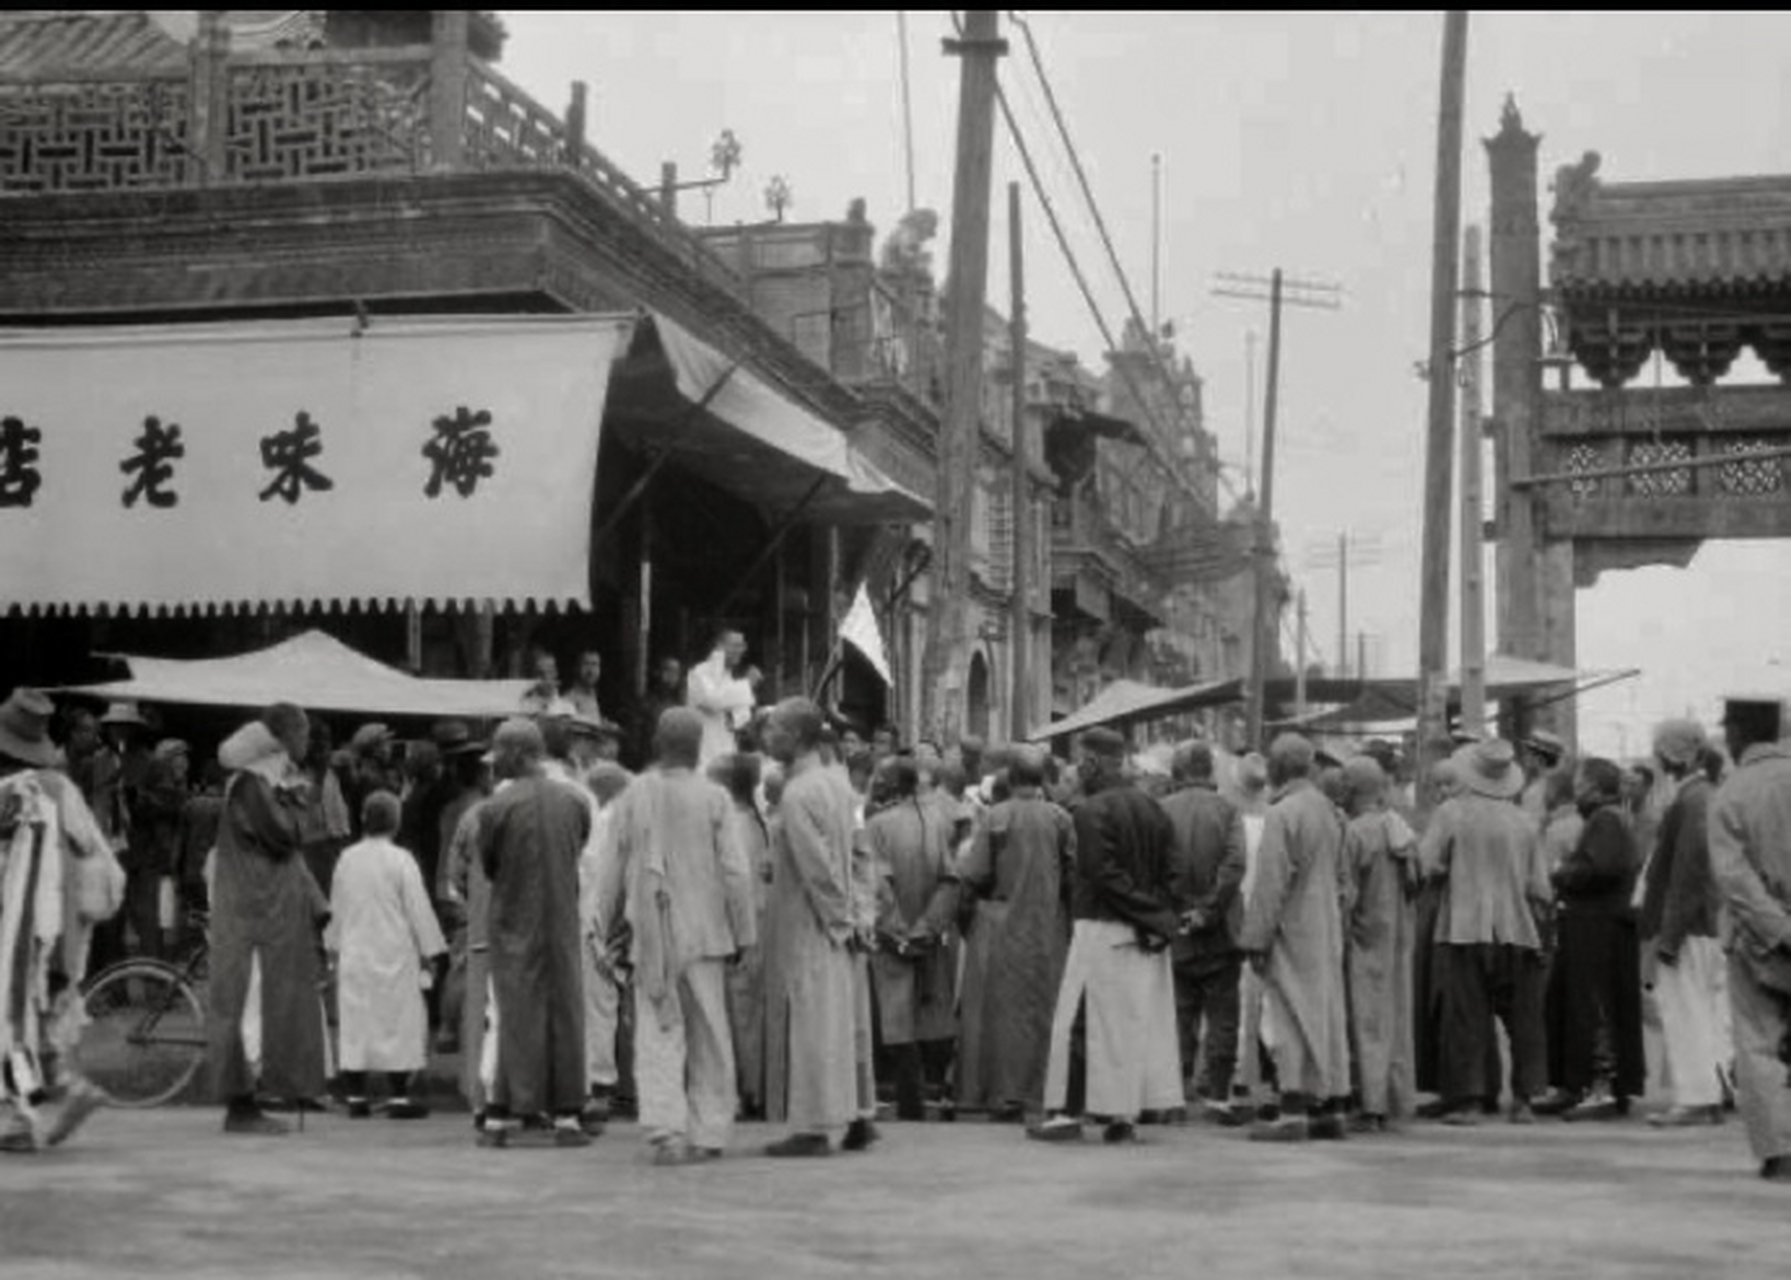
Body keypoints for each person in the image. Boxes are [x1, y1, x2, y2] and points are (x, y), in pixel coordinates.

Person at [596, 709, 756, 1164]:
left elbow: (612, 867)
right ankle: (709, 1132)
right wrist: (744, 932)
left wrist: (601, 927)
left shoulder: (633, 795)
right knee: (709, 1032)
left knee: (659, 1031)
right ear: (698, 745)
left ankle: (666, 1129)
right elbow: (735, 871)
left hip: (652, 931)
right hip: (706, 932)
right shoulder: (715, 798)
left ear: (656, 743)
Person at [1031, 728, 1182, 1146]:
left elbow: (1104, 875)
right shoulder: (1154, 808)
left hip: (1100, 928)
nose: (1078, 770)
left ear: (1095, 762)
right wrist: (1158, 919)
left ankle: (1067, 1114)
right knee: (1128, 1028)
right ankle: (1121, 1117)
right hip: (1141, 935)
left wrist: (1151, 916)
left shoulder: (1091, 811)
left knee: (1081, 1022)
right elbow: (1173, 875)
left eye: (1082, 761)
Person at [0, 689, 124, 1154]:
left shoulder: (11, 792)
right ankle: (63, 1090)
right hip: (61, 926)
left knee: (12, 1019)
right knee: (35, 1019)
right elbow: (93, 849)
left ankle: (20, 1117)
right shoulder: (61, 788)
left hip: (17, 924)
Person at [210, 704, 330, 1136]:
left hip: (263, 909)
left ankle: (252, 1100)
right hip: (253, 913)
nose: (308, 742)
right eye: (303, 733)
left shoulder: (264, 780)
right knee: (250, 1005)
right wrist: (299, 802)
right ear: (284, 737)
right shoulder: (255, 783)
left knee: (261, 1003)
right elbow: (283, 835)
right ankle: (242, 1106)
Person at [1420, 739, 1552, 1126]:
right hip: (1518, 928)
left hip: (1465, 926)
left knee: (1467, 1018)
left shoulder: (1452, 813)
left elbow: (1426, 863)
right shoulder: (1525, 822)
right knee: (1524, 1020)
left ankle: (1471, 1101)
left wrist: (1445, 871)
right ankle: (1525, 1101)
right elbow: (1539, 887)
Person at [759, 697, 871, 1157]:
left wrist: (842, 920)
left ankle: (813, 1125)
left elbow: (817, 868)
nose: (768, 738)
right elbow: (862, 857)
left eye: (776, 730)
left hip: (815, 923)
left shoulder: (800, 792)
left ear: (798, 737)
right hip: (842, 921)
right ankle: (855, 1114)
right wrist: (863, 915)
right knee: (841, 1023)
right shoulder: (840, 785)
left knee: (813, 1025)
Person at [473, 718, 592, 1148]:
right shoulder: (574, 801)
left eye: (499, 754)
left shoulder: (494, 809)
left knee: (512, 1013)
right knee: (565, 1012)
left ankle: (502, 1114)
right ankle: (567, 1116)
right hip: (560, 919)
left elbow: (489, 865)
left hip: (513, 920)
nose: (494, 764)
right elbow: (577, 848)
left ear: (520, 754)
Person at [1237, 734, 1351, 1142]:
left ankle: (1292, 1108)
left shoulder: (1282, 813)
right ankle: (1328, 1106)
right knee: (1324, 1013)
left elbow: (1270, 885)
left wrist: (1255, 939)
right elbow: (1344, 881)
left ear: (1277, 767)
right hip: (1326, 927)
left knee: (1288, 1017)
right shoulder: (1329, 811)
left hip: (1290, 928)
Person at [955, 748, 1075, 1121]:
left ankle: (1001, 1094)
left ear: (1012, 777)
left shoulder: (996, 817)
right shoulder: (1060, 819)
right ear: (1042, 780)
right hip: (1048, 926)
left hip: (1000, 924)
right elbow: (1073, 877)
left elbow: (974, 875)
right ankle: (1039, 1093)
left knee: (999, 1014)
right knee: (1043, 1010)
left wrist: (966, 921)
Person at [1706, 694, 1791, 1181]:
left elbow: (1734, 878)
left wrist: (1779, 929)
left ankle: (1780, 1152)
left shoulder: (1732, 794)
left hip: (1758, 939)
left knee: (1759, 1044)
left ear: (1738, 733)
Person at [326, 791, 447, 1121]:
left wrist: (332, 949)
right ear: (396, 821)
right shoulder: (401, 860)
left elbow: (336, 907)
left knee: (356, 1025)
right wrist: (429, 951)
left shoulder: (346, 858)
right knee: (400, 1023)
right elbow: (418, 909)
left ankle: (355, 1096)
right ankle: (398, 1097)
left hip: (355, 951)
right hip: (395, 952)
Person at [1638, 718, 1727, 1128]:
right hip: (1707, 923)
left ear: (1669, 756)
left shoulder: (1690, 801)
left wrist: (1668, 937)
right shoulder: (1706, 796)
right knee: (1706, 1013)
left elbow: (1685, 875)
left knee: (1685, 1013)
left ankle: (1696, 1098)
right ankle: (1711, 1091)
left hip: (1688, 928)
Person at [1547, 757, 1646, 1121]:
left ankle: (1600, 1087)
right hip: (1596, 925)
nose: (1575, 789)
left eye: (1580, 782)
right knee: (1586, 1003)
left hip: (1598, 928)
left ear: (1593, 787)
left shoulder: (1605, 820)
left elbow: (1601, 868)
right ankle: (1580, 1085)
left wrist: (1562, 873)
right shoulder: (1610, 819)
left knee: (1596, 1006)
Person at [865, 757, 960, 1122]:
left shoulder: (877, 825)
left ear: (892, 784)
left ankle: (910, 1100)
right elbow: (950, 879)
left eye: (882, 778)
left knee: (897, 1018)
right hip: (925, 935)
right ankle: (922, 1096)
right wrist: (927, 927)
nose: (877, 783)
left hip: (895, 938)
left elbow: (877, 885)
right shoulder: (938, 822)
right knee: (922, 1014)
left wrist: (899, 932)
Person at [1159, 741, 1247, 1121]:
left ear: (1177, 772)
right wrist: (1208, 911)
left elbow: (1159, 867)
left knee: (1179, 1013)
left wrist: (1183, 912)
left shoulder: (1162, 811)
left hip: (1175, 927)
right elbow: (1234, 866)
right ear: (1210, 770)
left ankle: (1174, 1095)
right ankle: (1218, 1096)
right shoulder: (1228, 811)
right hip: (1222, 928)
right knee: (1223, 1013)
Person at [1340, 756, 1420, 1132]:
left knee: (1368, 1022)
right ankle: (1397, 1099)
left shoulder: (1356, 832)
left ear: (1353, 790)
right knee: (1398, 1018)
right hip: (1399, 936)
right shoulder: (1399, 828)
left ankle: (1370, 1105)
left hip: (1365, 937)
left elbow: (1347, 893)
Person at [710, 752, 773, 1118]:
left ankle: (745, 1089)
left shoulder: (733, 823)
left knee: (738, 1014)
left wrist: (738, 932)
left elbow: (738, 881)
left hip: (739, 932)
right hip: (752, 927)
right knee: (745, 1012)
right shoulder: (753, 820)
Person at [689, 631, 763, 769]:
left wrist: (741, 717)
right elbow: (713, 701)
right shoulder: (699, 672)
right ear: (719, 646)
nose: (740, 650)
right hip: (706, 750)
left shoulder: (728, 676)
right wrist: (747, 684)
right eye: (735, 645)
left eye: (742, 646)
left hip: (727, 748)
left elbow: (737, 716)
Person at [567, 649, 604, 721]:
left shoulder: (594, 695)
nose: (591, 671)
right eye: (586, 664)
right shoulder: (569, 700)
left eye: (594, 664)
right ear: (577, 668)